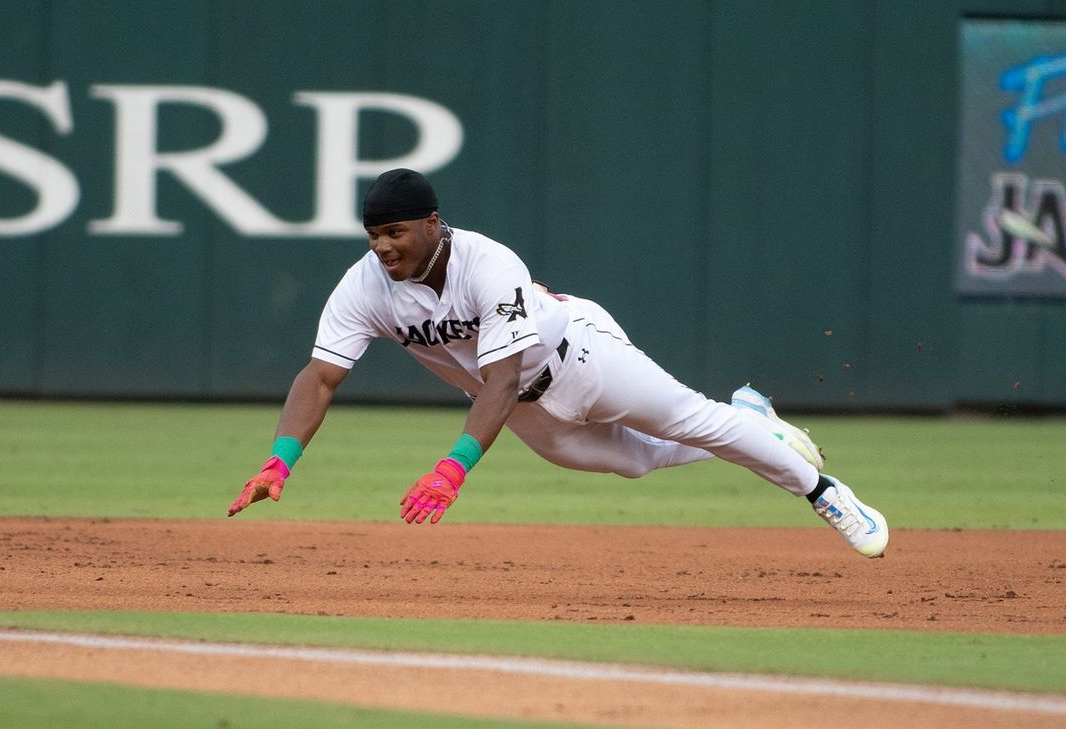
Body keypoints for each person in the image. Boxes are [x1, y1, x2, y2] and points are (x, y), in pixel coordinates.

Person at [227, 169, 889, 558]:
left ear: (433, 223)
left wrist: (452, 469)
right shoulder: (366, 288)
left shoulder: (488, 264)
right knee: (640, 460)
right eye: (374, 236)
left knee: (691, 420)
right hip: (528, 417)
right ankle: (756, 422)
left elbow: (504, 374)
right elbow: (319, 376)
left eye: (396, 232)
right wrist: (280, 457)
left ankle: (825, 493)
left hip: (581, 357)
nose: (384, 248)